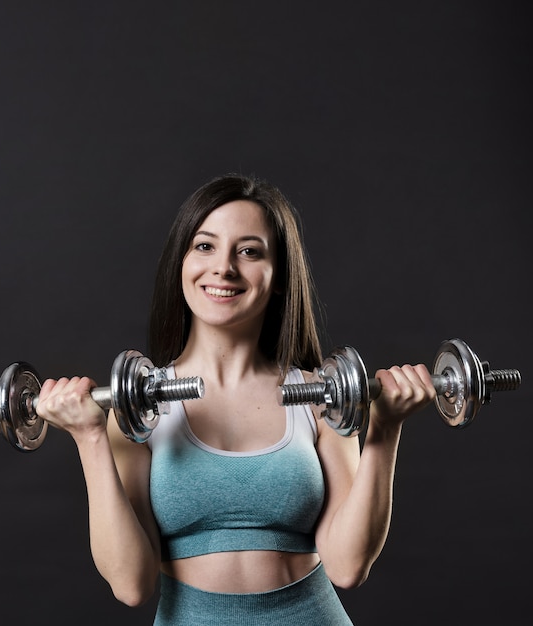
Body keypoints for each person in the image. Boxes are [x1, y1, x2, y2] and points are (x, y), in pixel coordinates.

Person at [36, 174, 437, 625]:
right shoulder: (139, 412)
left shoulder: (322, 398)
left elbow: (347, 567)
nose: (224, 267)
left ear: (280, 276)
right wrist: (89, 438)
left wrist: (385, 428)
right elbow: (132, 585)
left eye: (249, 251)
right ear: (181, 264)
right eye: (205, 246)